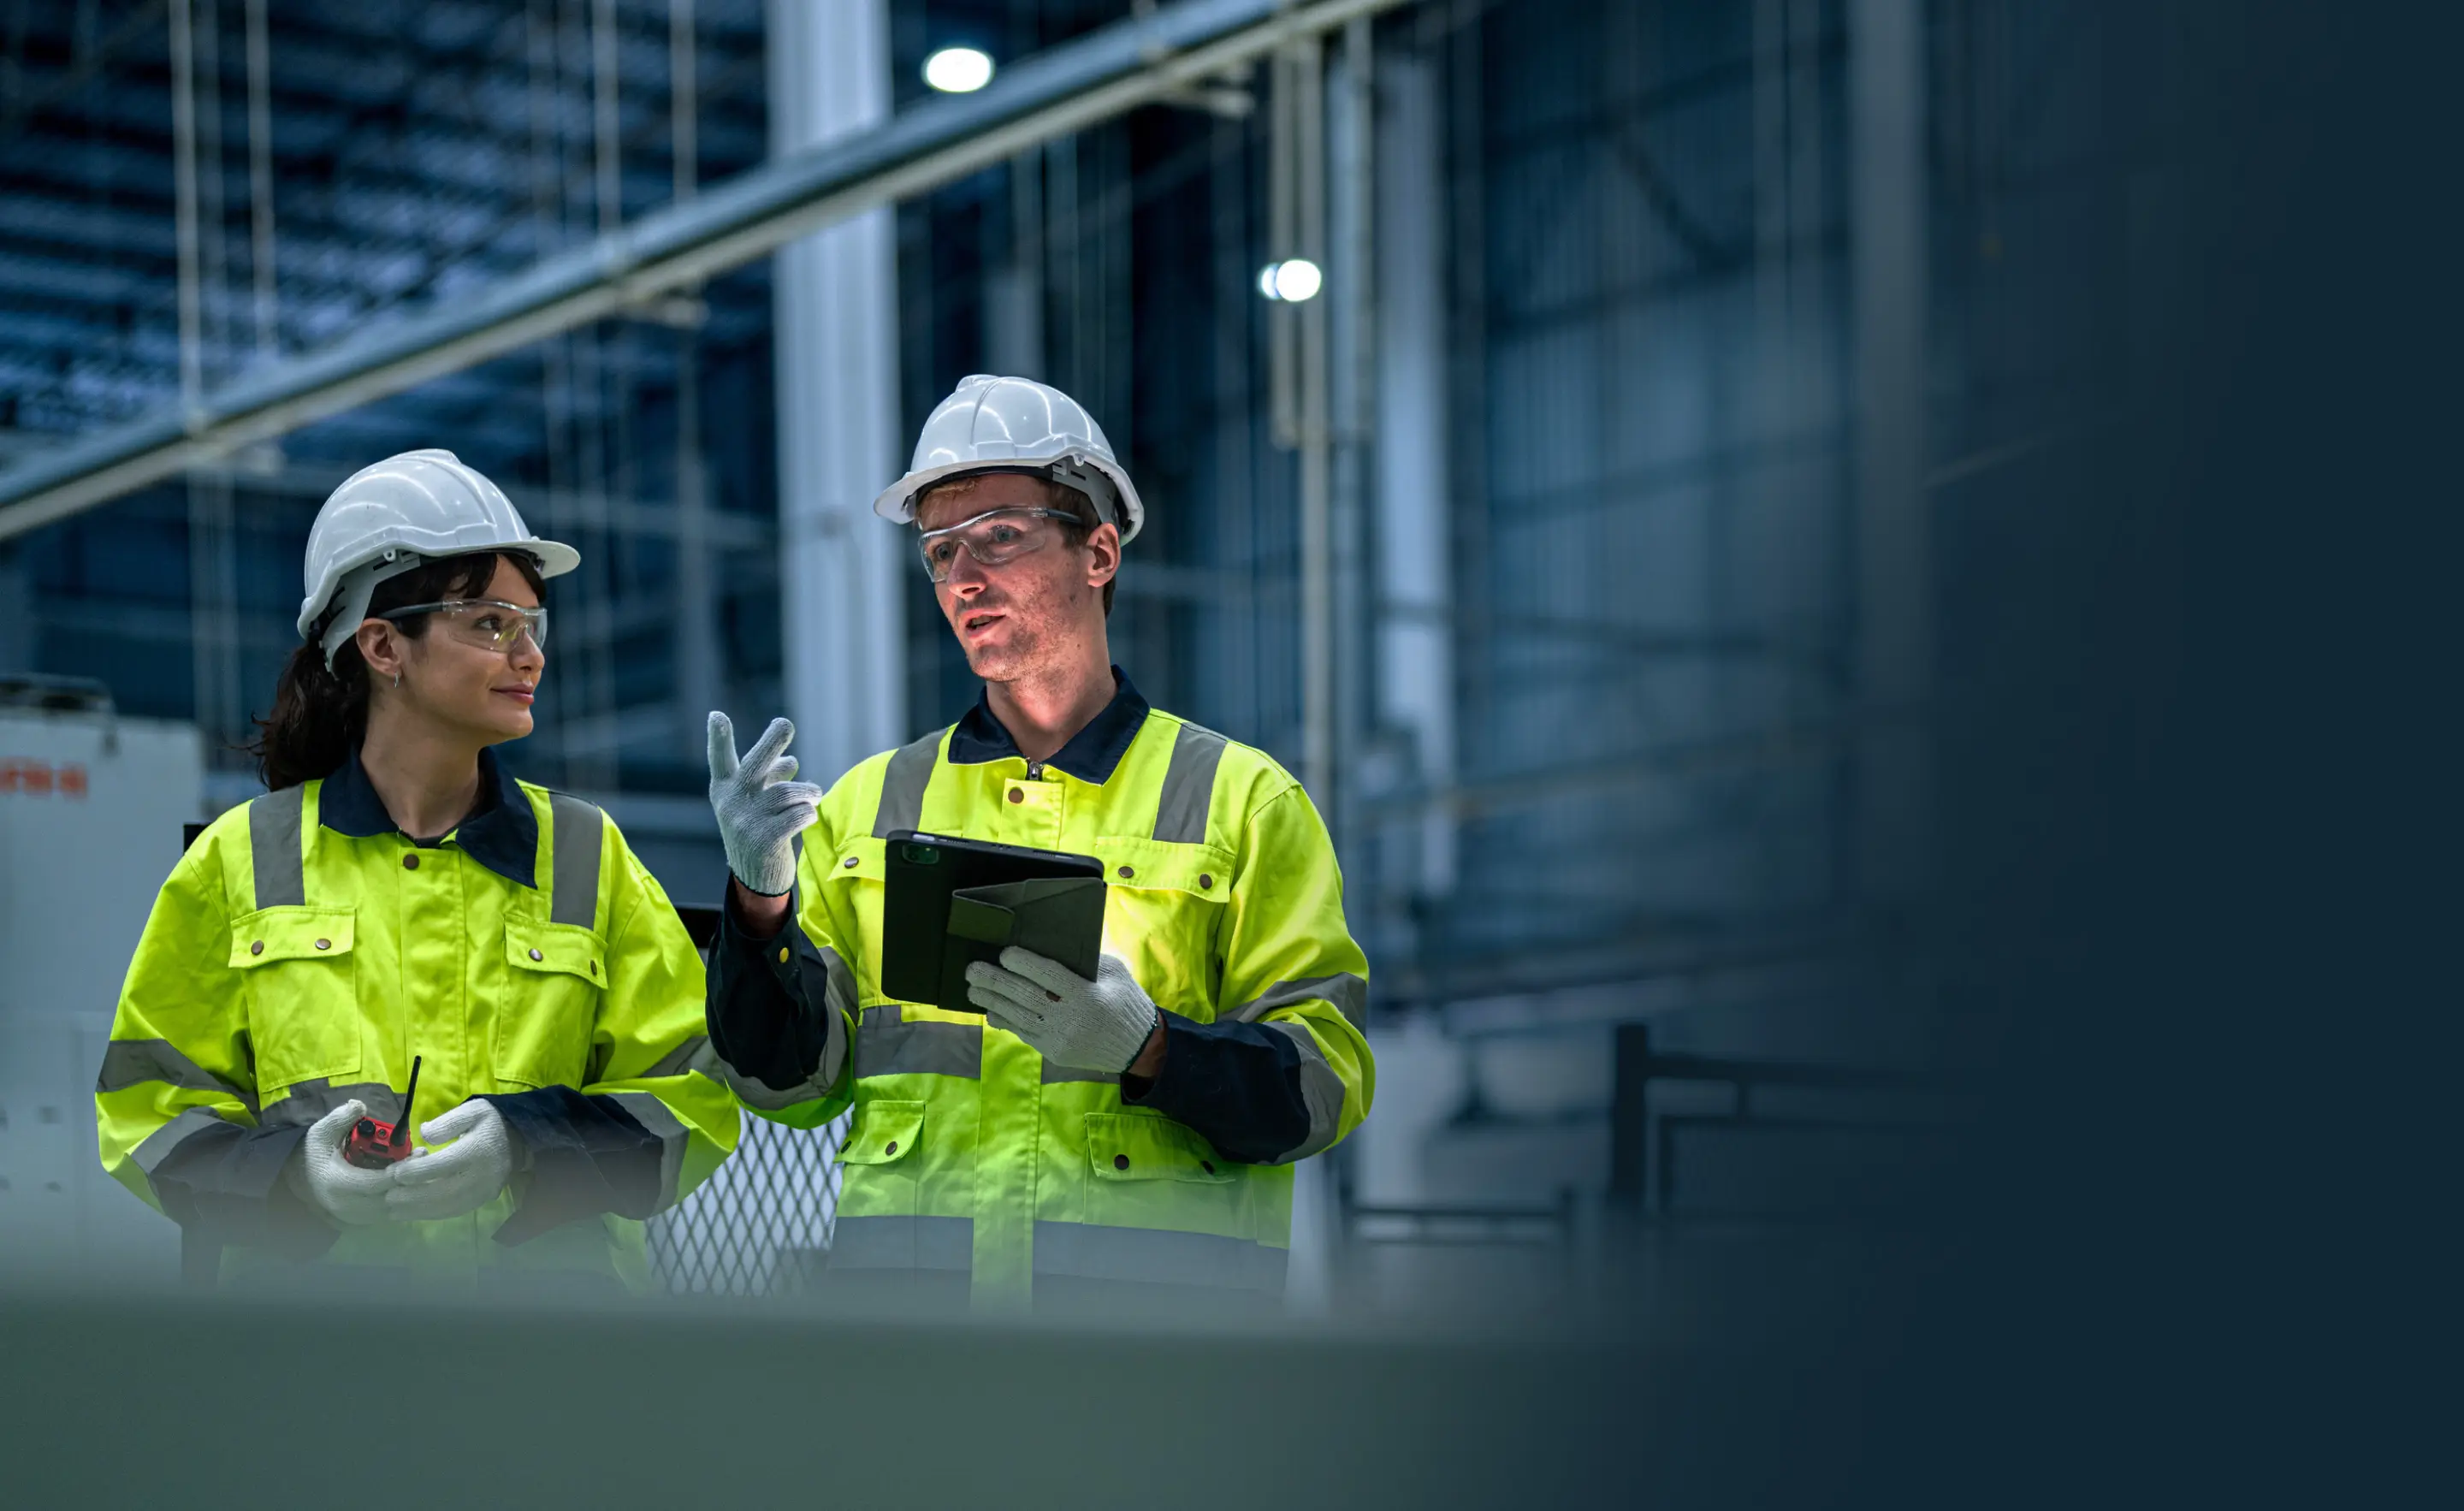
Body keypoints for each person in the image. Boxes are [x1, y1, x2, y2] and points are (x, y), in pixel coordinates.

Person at [704, 375, 1373, 1314]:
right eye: (941, 551)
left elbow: (1325, 1085)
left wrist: (1151, 1050)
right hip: (914, 1354)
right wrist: (759, 907)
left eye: (1000, 537)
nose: (964, 576)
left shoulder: (1242, 801)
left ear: (1099, 550)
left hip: (1154, 1361)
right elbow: (787, 1085)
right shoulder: (866, 805)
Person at [96, 449, 737, 1292]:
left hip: (554, 1369)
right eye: (491, 624)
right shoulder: (240, 858)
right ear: (383, 644)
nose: (531, 655)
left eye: (534, 624)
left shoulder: (586, 854)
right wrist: (297, 1179)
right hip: (314, 1365)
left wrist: (528, 1142)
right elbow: (147, 1114)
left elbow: (692, 1099)